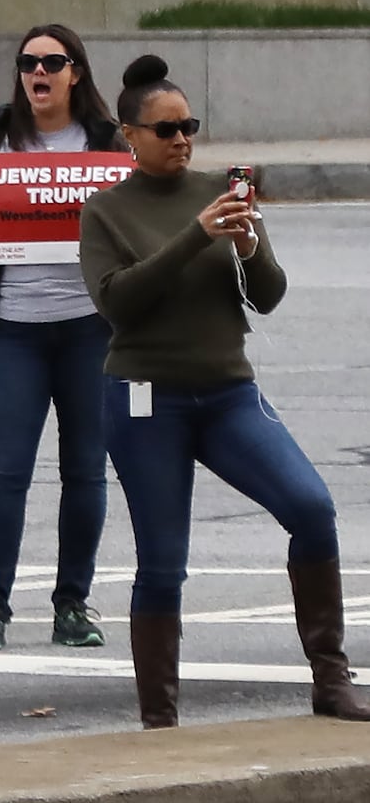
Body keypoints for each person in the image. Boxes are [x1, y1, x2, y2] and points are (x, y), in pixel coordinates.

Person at [79, 54, 370, 727]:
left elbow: (267, 296)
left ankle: (330, 679)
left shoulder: (222, 192)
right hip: (143, 398)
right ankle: (160, 718)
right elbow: (117, 304)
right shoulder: (105, 212)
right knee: (162, 562)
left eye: (188, 125)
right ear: (129, 134)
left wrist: (246, 247)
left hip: (225, 394)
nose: (181, 139)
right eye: (165, 128)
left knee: (310, 507)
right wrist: (195, 235)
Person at [0, 24, 122, 652]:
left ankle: (73, 603)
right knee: (5, 472)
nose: (37, 71)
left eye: (51, 61)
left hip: (89, 328)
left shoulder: (106, 142)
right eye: (27, 62)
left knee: (85, 472)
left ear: (75, 73)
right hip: (14, 328)